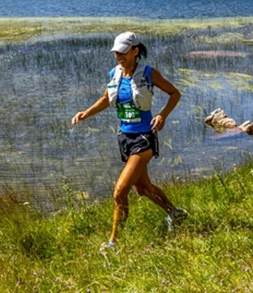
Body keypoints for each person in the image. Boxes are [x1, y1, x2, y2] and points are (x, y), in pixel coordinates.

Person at [71, 31, 186, 250]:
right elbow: (106, 99)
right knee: (142, 188)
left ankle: (113, 243)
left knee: (119, 191)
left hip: (144, 138)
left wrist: (162, 115)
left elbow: (175, 93)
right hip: (125, 137)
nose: (119, 56)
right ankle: (175, 213)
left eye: (123, 52)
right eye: (116, 52)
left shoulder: (149, 73)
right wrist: (85, 113)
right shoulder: (115, 74)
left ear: (135, 51)